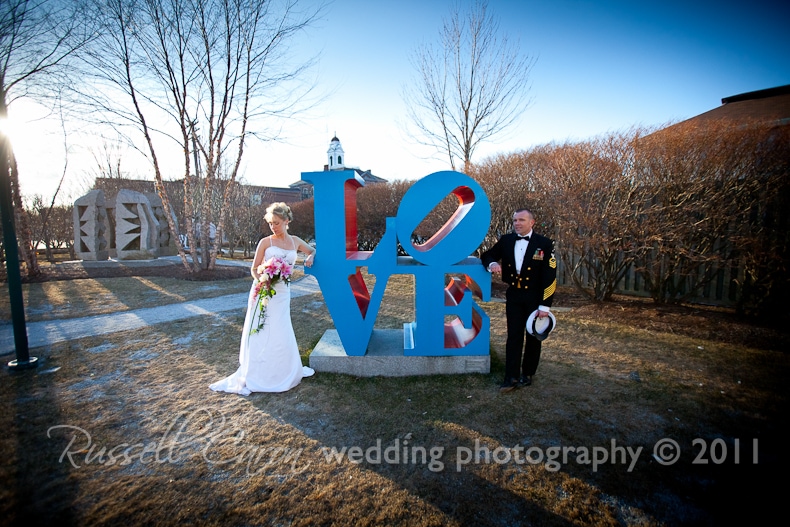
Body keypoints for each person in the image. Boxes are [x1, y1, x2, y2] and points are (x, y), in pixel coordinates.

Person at [210, 202, 316, 395]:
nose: (273, 227)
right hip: (264, 291)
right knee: (262, 328)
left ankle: (284, 370)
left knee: (281, 328)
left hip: (283, 293)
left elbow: (312, 250)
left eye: (276, 222)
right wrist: (263, 280)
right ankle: (259, 372)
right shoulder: (265, 242)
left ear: (286, 221)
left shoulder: (295, 241)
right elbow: (253, 268)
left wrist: (310, 257)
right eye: (270, 223)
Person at [480, 208, 557, 393]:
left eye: (521, 220)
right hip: (514, 295)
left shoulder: (544, 244)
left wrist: (545, 305)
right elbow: (487, 255)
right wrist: (492, 264)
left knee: (533, 337)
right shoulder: (506, 240)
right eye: (515, 220)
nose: (517, 223)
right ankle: (511, 377)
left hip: (535, 296)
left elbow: (550, 277)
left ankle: (528, 374)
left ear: (532, 222)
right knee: (514, 336)